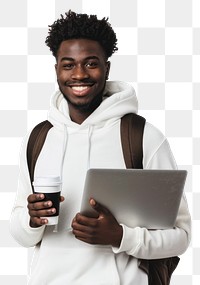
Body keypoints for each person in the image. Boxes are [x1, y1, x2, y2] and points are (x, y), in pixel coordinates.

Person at [10, 10, 191, 285]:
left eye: (91, 63)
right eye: (68, 64)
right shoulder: (38, 138)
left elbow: (181, 236)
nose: (79, 74)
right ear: (56, 69)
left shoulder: (142, 137)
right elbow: (20, 232)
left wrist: (120, 236)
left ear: (107, 68)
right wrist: (31, 221)